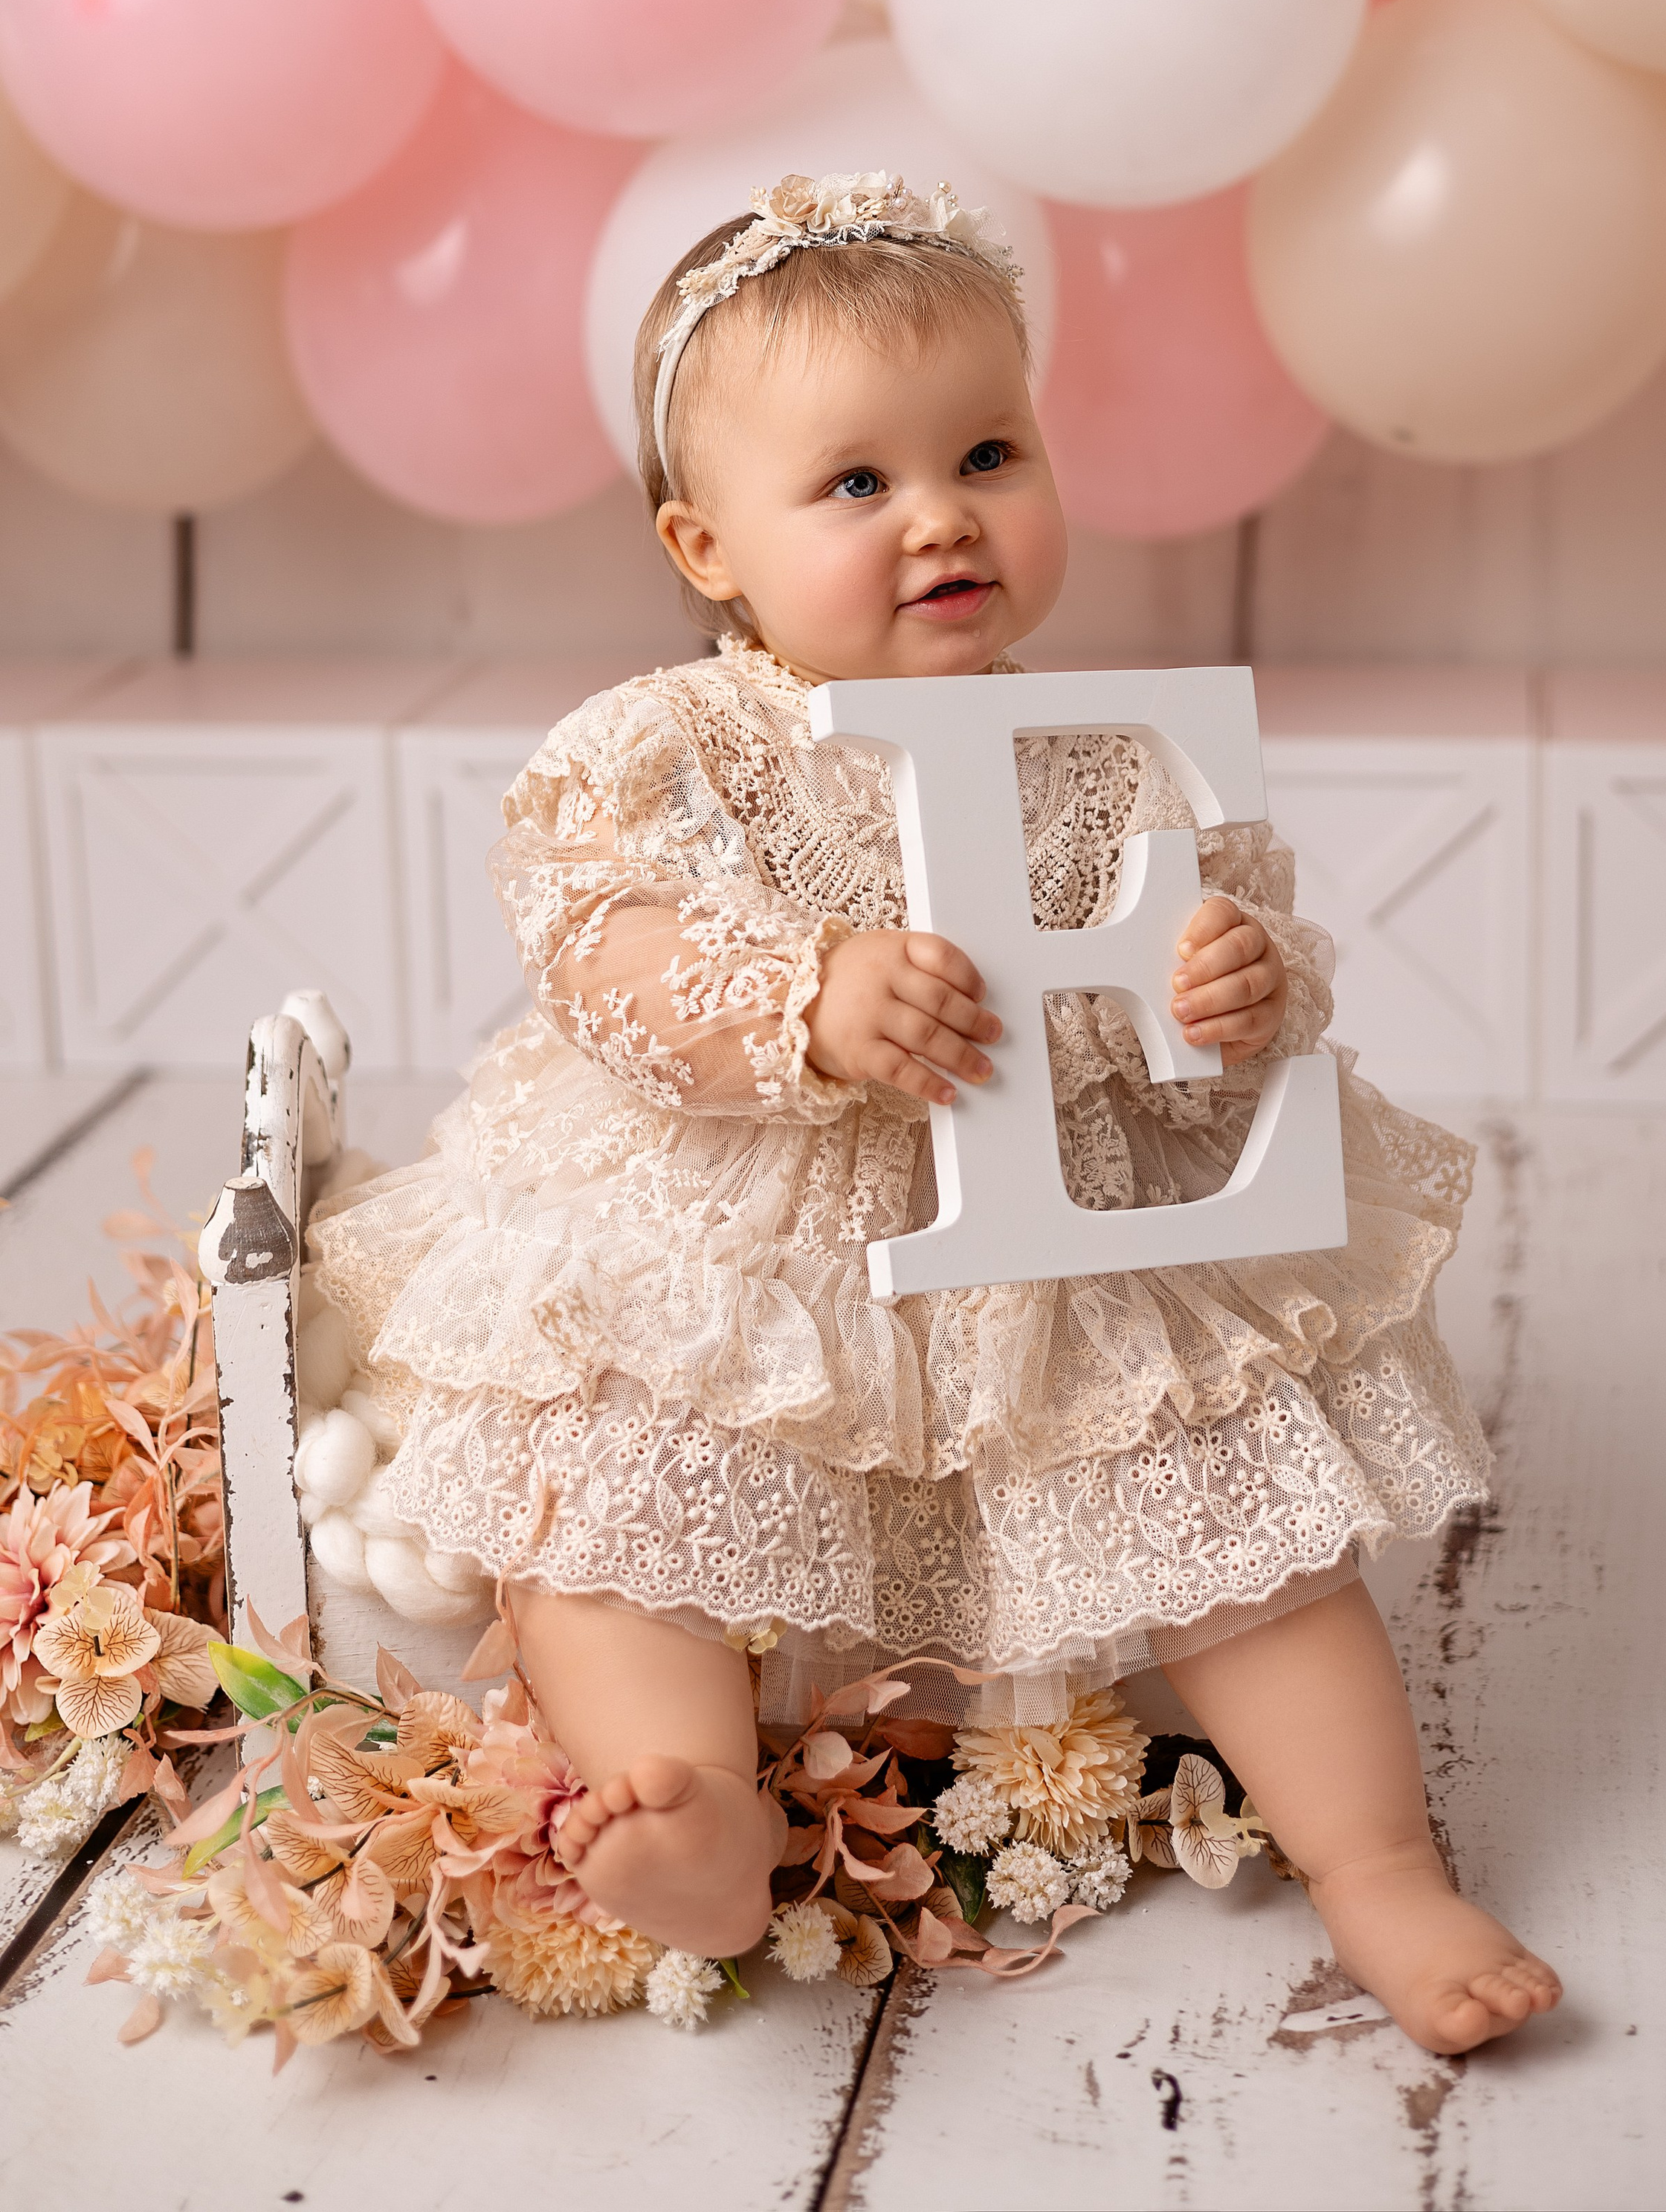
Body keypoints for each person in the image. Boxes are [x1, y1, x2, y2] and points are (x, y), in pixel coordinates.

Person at [309, 172, 1559, 2054]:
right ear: (705, 544)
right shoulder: (672, 749)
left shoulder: (1114, 755)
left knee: (1246, 1531)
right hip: (742, 1243)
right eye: (854, 481)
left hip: (1068, 1251)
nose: (941, 514)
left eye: (985, 453)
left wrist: (1228, 986)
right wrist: (799, 997)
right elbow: (593, 945)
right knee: (611, 1501)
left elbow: (1226, 943)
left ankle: (1379, 1865)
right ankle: (694, 1810)